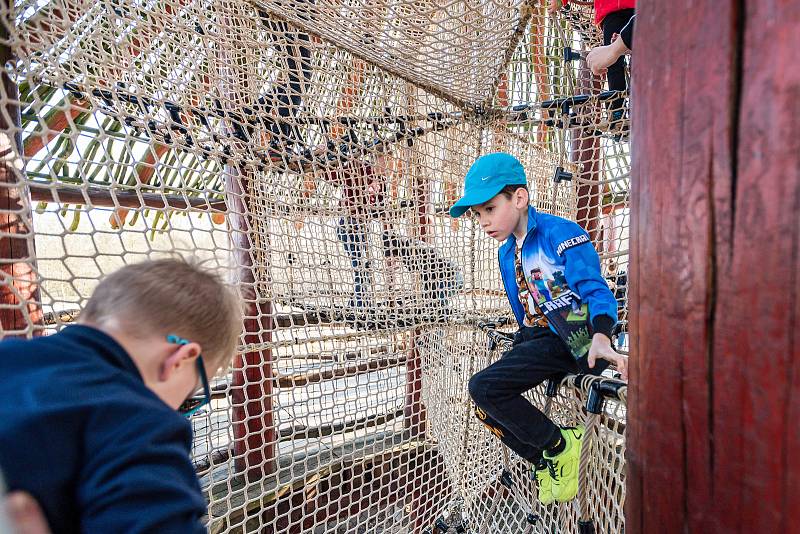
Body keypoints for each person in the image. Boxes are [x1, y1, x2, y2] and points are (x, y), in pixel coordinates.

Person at [0, 258, 243, 533]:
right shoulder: (140, 419)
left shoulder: (8, 357)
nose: (178, 411)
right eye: (188, 399)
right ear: (180, 359)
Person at [449, 153, 627, 505]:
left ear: (519, 199)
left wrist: (603, 336)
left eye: (490, 208)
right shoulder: (505, 253)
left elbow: (596, 290)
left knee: (483, 386)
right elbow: (525, 309)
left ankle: (562, 445)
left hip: (573, 337)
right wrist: (519, 343)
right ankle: (544, 460)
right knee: (482, 406)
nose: (484, 220)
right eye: (478, 214)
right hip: (537, 338)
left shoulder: (559, 233)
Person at [550, 0, 636, 123]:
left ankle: (637, 105)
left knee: (639, 56)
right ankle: (616, 110)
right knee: (613, 64)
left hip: (637, 8)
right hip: (611, 12)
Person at [325, 152, 387, 309]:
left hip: (361, 227)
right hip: (349, 226)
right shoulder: (359, 169)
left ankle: (359, 301)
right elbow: (332, 176)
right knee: (360, 265)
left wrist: (375, 195)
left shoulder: (379, 179)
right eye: (384, 162)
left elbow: (378, 208)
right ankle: (359, 303)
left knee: (364, 266)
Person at [381, 231, 464, 311]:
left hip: (450, 281)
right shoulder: (409, 245)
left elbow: (425, 276)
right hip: (454, 277)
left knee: (438, 308)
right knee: (431, 299)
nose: (395, 260)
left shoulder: (409, 252)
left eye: (393, 256)